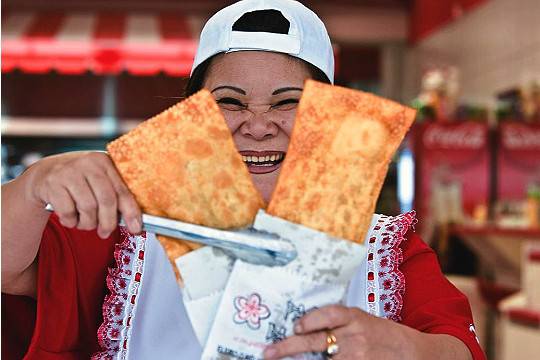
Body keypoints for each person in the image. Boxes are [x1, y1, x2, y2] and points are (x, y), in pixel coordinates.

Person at [1, 1, 486, 359]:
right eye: (230, 101)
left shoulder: (384, 249)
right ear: (195, 116)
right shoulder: (131, 228)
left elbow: (458, 348)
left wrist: (406, 349)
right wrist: (32, 186)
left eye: (287, 101)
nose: (257, 125)